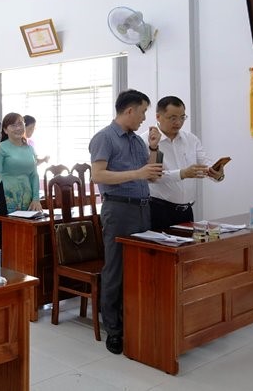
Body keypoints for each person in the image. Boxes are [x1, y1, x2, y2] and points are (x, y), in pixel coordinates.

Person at [89, 89, 163, 355]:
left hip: (143, 209)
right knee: (116, 268)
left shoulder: (137, 141)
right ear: (129, 110)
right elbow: (98, 176)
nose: (144, 118)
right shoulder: (105, 138)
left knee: (139, 267)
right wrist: (137, 173)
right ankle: (114, 329)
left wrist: (153, 148)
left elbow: (151, 176)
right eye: (143, 111)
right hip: (119, 210)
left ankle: (132, 319)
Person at [144, 96, 226, 231]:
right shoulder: (146, 141)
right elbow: (151, 177)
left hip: (186, 210)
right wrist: (182, 174)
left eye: (182, 117)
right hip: (158, 210)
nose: (178, 122)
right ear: (158, 117)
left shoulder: (191, 139)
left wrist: (217, 174)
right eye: (173, 118)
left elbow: (205, 163)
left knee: (188, 250)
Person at [0, 113, 42, 249]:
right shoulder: (2, 146)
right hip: (6, 195)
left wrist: (36, 198)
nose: (18, 128)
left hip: (26, 197)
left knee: (23, 234)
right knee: (3, 234)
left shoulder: (29, 148)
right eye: (13, 125)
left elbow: (34, 174)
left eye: (20, 124)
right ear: (5, 130)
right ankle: (0, 265)